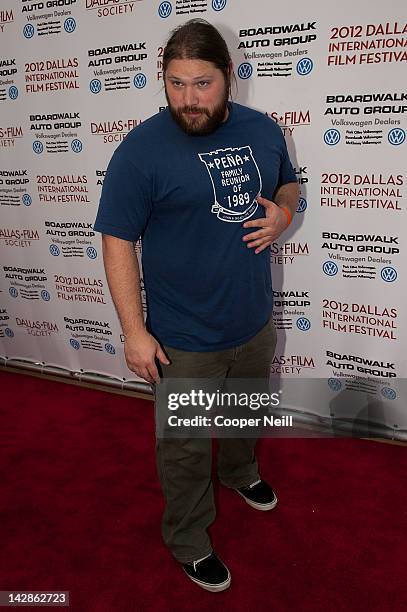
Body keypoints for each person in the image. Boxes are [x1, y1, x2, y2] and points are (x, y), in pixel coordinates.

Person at [93, 19, 299, 592]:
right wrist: (135, 332)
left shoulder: (263, 131)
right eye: (176, 83)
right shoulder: (141, 150)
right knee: (183, 450)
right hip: (183, 338)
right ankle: (188, 538)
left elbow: (288, 184)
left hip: (253, 319)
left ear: (229, 78)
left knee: (243, 415)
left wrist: (282, 214)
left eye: (202, 84)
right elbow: (116, 239)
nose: (189, 99)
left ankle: (240, 472)